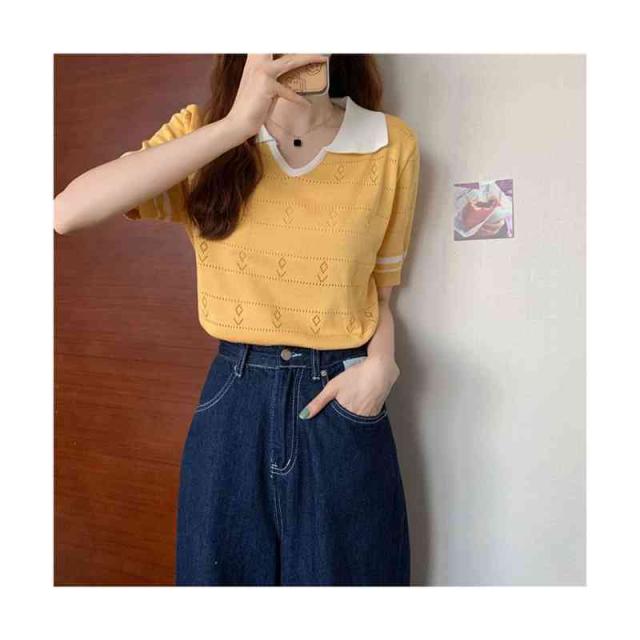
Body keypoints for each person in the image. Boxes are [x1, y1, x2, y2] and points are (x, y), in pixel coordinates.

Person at [54, 53, 421, 586]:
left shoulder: (390, 143)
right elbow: (66, 213)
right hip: (235, 400)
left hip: (340, 397)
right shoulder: (203, 134)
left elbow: (381, 292)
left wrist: (381, 368)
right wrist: (235, 126)